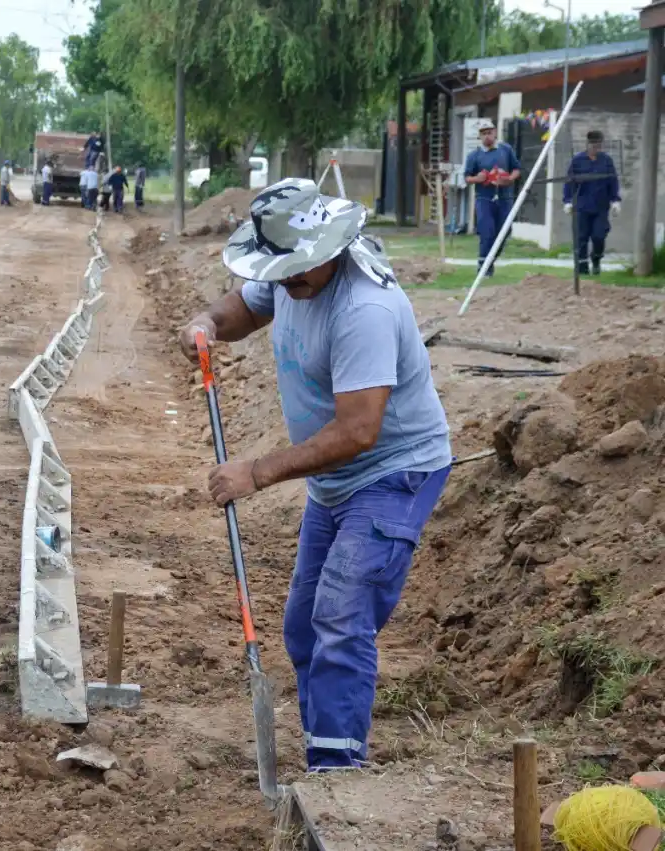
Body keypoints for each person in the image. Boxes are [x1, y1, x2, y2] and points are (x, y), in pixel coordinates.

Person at [179, 178, 452, 772]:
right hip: (336, 481)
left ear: (328, 250)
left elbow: (358, 432)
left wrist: (257, 470)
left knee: (340, 613)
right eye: (277, 274)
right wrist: (207, 321)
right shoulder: (293, 275)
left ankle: (336, 774)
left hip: (393, 474)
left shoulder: (364, 309)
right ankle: (323, 746)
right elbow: (245, 306)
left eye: (293, 275)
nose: (283, 286)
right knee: (304, 627)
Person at [463, 120, 521, 276]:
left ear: (495, 132)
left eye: (489, 132)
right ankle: (483, 267)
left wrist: (509, 178)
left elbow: (516, 169)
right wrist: (478, 179)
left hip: (504, 197)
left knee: (504, 231)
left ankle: (491, 260)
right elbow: (467, 178)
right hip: (484, 198)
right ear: (480, 136)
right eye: (483, 133)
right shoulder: (474, 155)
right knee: (487, 232)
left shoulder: (505, 150)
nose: (487, 136)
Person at [563, 130, 621, 276]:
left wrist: (615, 200)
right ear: (588, 144)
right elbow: (569, 182)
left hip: (600, 206)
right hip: (582, 205)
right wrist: (568, 201)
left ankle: (596, 259)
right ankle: (582, 268)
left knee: (599, 235)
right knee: (581, 237)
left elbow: (613, 181)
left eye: (598, 145)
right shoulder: (578, 160)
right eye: (593, 145)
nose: (596, 148)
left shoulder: (606, 161)